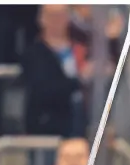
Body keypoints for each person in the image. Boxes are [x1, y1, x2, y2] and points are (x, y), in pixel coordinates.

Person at [21, 5, 92, 139]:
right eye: (52, 16)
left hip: (83, 124)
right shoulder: (33, 53)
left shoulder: (81, 48)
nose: (56, 21)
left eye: (61, 15)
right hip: (48, 129)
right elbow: (44, 89)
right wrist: (80, 79)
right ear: (41, 19)